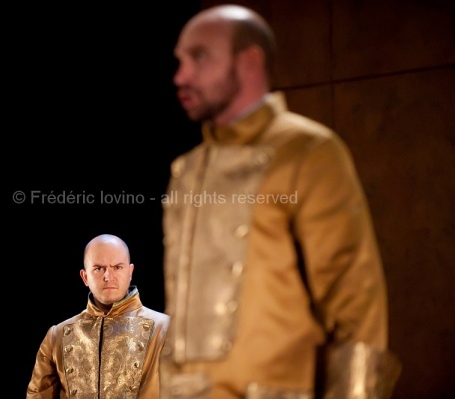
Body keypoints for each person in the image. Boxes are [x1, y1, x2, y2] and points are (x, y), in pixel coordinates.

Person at [159, 4, 401, 399]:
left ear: (250, 60)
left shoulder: (308, 151)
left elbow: (355, 300)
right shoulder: (187, 169)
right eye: (180, 61)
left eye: (199, 57)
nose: (181, 76)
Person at [26, 234, 170, 398]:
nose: (108, 276)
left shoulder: (165, 329)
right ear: (85, 277)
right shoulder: (57, 335)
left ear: (130, 272)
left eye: (117, 267)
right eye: (99, 268)